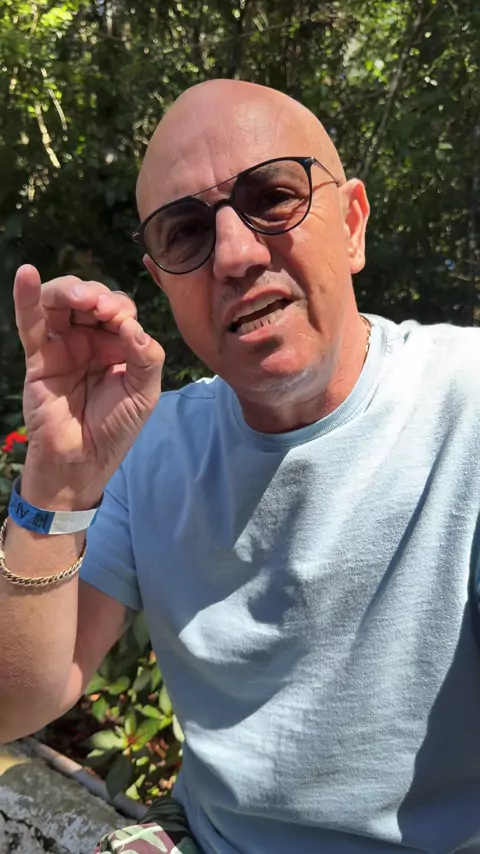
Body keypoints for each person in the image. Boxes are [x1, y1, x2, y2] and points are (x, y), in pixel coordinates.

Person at [1, 77, 480, 854]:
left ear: (352, 223)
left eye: (274, 197)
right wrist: (57, 480)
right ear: (162, 281)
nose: (233, 254)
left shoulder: (466, 404)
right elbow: (14, 705)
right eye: (186, 232)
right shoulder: (148, 448)